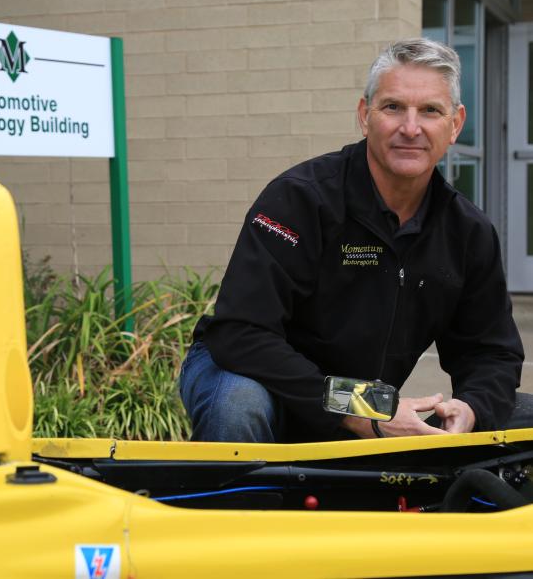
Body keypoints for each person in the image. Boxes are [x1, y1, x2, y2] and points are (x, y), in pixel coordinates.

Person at [179, 37, 528, 443]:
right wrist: (363, 407)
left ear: (455, 125)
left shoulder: (467, 232)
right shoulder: (299, 198)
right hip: (251, 373)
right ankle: (236, 505)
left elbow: (491, 353)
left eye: (430, 111)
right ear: (365, 116)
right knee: (239, 405)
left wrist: (471, 409)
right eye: (393, 107)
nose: (410, 128)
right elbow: (240, 333)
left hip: (359, 399)